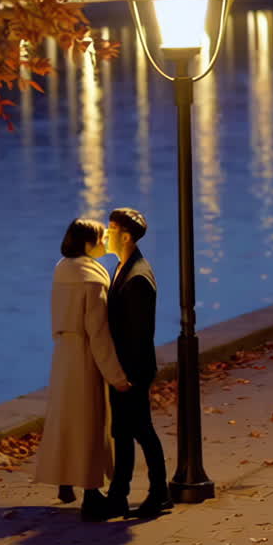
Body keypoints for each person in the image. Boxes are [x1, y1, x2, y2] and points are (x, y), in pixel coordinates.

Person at [35, 218, 133, 520]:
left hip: (64, 351)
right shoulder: (91, 278)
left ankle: (65, 482)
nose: (106, 241)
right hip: (86, 356)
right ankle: (92, 494)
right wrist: (117, 376)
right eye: (101, 237)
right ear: (88, 243)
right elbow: (98, 332)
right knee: (91, 422)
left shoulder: (62, 269)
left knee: (65, 417)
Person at [103, 208, 172, 519]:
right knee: (123, 431)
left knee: (141, 429)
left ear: (126, 236)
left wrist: (126, 374)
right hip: (124, 368)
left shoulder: (137, 277)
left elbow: (139, 333)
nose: (106, 234)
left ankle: (159, 493)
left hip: (132, 369)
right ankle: (120, 492)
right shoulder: (124, 268)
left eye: (111, 228)